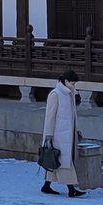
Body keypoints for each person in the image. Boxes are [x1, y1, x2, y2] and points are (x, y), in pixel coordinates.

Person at [40, 69, 85, 198]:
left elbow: (72, 116)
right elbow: (50, 117)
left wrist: (75, 130)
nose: (73, 86)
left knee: (56, 161)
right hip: (58, 135)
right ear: (66, 81)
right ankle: (71, 189)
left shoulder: (70, 94)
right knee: (65, 161)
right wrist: (48, 136)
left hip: (68, 134)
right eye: (72, 83)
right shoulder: (55, 94)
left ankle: (46, 185)